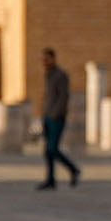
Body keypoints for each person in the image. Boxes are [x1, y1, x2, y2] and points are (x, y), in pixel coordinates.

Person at [37, 48, 80, 190]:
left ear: (53, 58)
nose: (44, 62)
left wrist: (55, 114)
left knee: (52, 148)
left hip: (57, 118)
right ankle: (51, 179)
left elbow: (63, 97)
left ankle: (73, 169)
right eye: (42, 59)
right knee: (48, 151)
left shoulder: (61, 75)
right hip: (47, 117)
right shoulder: (47, 75)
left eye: (46, 59)